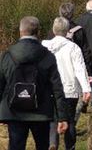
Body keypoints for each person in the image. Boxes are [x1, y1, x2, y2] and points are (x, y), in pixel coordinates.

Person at [0, 16, 68, 150]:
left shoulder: (6, 56)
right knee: (42, 146)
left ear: (20, 32)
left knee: (15, 146)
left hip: (14, 111)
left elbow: (0, 85)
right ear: (38, 32)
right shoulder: (48, 56)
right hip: (41, 112)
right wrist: (62, 117)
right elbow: (57, 88)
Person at [42, 17, 91, 150]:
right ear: (68, 31)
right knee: (69, 121)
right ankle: (70, 147)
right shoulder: (73, 47)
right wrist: (86, 89)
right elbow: (80, 69)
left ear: (53, 29)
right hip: (69, 90)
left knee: (52, 121)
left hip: (49, 90)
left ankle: (53, 144)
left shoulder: (44, 46)